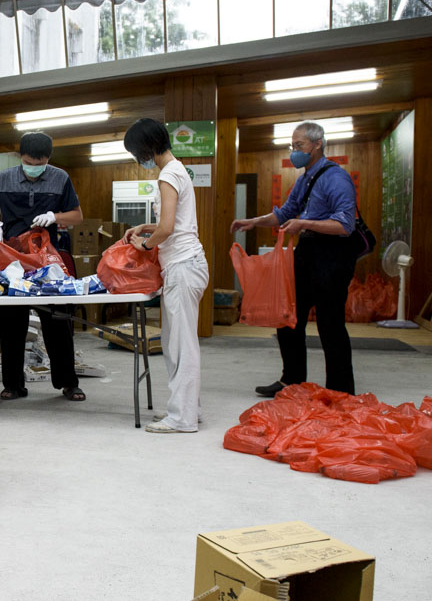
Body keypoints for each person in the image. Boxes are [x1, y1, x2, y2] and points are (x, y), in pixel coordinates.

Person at [231, 121, 357, 396]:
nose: (294, 151)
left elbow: (345, 225)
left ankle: (341, 390)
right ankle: (292, 380)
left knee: (330, 323)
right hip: (307, 253)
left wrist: (306, 224)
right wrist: (253, 221)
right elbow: (285, 212)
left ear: (317, 144)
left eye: (299, 146)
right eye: (292, 146)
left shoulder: (336, 178)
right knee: (287, 317)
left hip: (333, 257)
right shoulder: (305, 178)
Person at [122, 118, 209, 433]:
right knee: (177, 344)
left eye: (136, 153)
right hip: (187, 263)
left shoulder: (168, 175)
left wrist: (144, 244)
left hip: (183, 266)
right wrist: (148, 227)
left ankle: (183, 418)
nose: (137, 159)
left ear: (146, 147)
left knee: (181, 345)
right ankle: (188, 410)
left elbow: (170, 228)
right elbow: (174, 222)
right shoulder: (177, 170)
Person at [0, 131, 85, 403]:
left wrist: (55, 216)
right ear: (20, 157)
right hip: (12, 261)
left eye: (40, 162)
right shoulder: (2, 180)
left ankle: (68, 383)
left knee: (58, 322)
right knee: (11, 324)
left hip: (47, 260)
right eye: (29, 161)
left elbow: (77, 216)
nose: (34, 167)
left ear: (48, 159)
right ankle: (13, 385)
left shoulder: (60, 178)